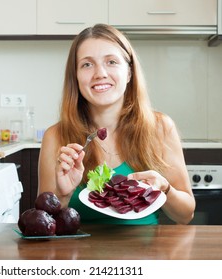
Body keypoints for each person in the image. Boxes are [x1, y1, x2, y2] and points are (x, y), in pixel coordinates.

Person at [38, 23, 195, 225]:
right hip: (78, 255)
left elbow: (185, 216)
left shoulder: (161, 127)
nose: (100, 73)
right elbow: (44, 224)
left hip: (145, 254)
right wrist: (63, 195)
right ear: (75, 77)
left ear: (129, 73)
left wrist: (165, 188)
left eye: (111, 62)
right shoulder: (55, 136)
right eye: (87, 64)